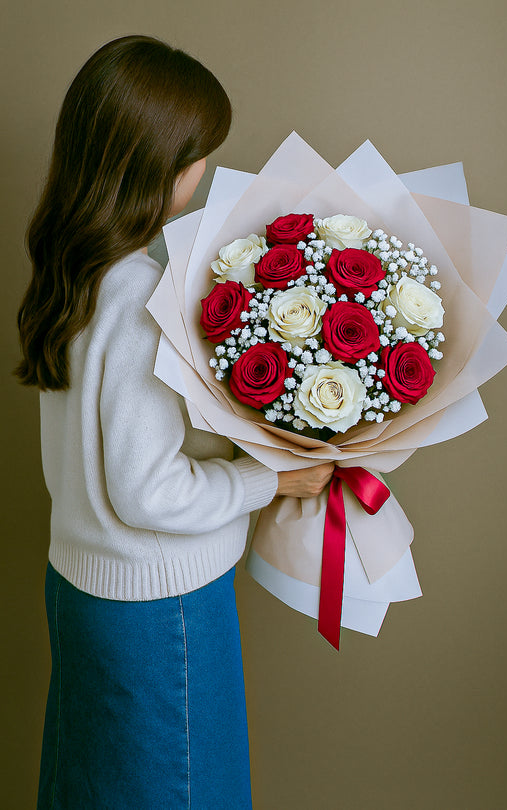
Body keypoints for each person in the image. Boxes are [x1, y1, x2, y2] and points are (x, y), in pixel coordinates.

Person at [16, 35, 333, 809]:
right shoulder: (137, 295)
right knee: (180, 790)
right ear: (155, 165)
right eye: (198, 154)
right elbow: (149, 493)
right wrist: (270, 478)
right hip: (159, 612)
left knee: (90, 785)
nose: (206, 169)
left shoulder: (72, 267)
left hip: (81, 590)